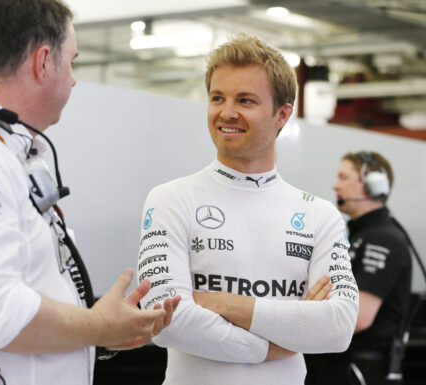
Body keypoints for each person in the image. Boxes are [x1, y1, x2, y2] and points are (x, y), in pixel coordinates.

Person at [0, 1, 179, 384]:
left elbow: (24, 298)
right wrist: (97, 326)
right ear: (43, 61)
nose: (74, 80)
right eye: (72, 62)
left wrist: (106, 331)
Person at [136, 33, 358, 385]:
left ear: (282, 114)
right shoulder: (171, 199)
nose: (227, 113)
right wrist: (278, 342)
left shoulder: (320, 215)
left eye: (245, 100)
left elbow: (338, 328)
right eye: (217, 98)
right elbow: (167, 320)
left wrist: (223, 304)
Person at [306, 151, 412, 385]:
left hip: (361, 371)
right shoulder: (360, 235)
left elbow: (358, 318)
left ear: (374, 184)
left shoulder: (383, 239)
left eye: (343, 177)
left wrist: (295, 326)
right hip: (342, 367)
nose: (335, 185)